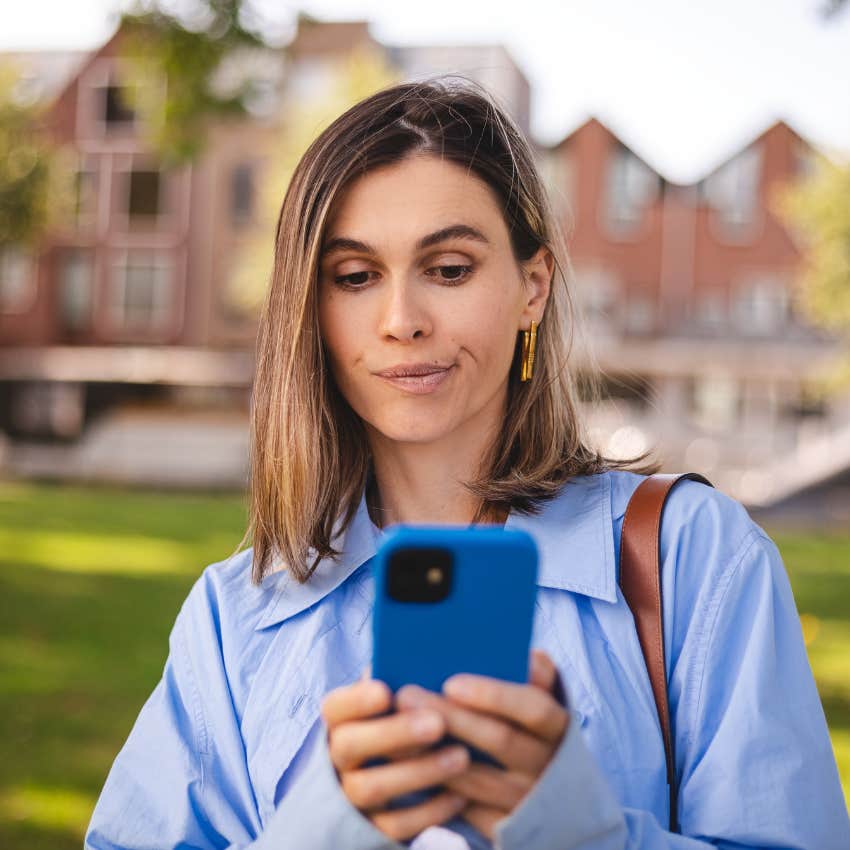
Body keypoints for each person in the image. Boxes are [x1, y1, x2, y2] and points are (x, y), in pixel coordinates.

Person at [84, 77, 850, 850]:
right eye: (354, 277)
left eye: (448, 269)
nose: (403, 322)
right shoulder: (233, 617)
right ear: (310, 310)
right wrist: (324, 832)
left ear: (533, 288)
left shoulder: (692, 556)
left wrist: (577, 834)